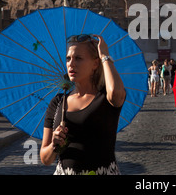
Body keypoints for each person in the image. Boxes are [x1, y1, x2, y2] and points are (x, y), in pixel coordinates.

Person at [40, 34, 126, 175]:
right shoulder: (58, 102)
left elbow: (116, 93)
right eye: (68, 58)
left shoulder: (106, 97)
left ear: (95, 64)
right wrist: (54, 145)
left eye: (78, 58)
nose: (71, 64)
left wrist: (105, 56)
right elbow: (45, 159)